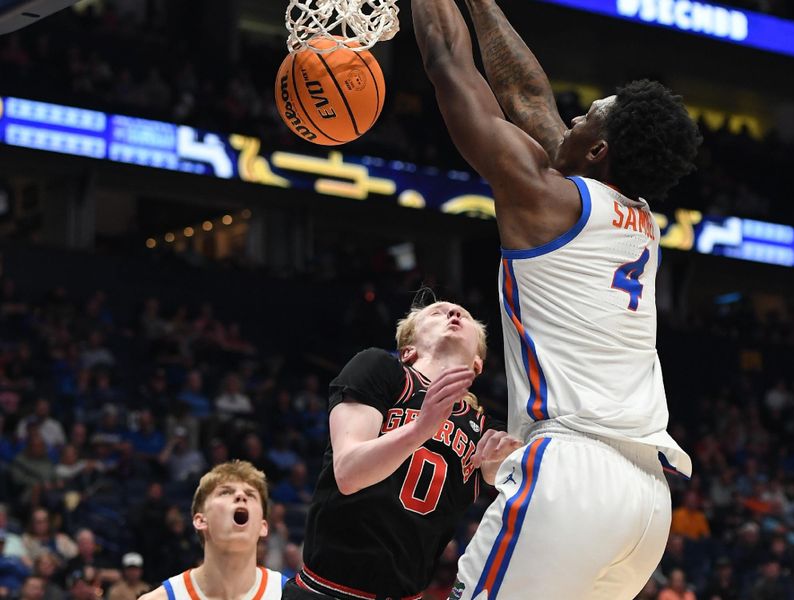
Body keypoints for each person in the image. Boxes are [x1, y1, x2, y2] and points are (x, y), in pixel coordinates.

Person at [411, 1, 701, 598]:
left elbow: (448, 65)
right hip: (647, 503)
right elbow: (528, 99)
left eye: (588, 117)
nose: (570, 116)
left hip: (574, 473)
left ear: (597, 152)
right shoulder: (635, 218)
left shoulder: (544, 201)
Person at [283, 300, 518, 600]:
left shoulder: (486, 425)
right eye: (438, 312)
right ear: (409, 350)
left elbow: (500, 473)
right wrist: (421, 428)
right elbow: (348, 472)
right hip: (327, 590)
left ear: (477, 363)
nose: (454, 314)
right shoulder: (381, 370)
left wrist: (506, 459)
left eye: (466, 315)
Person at [137, 461, 286, 600]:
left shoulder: (291, 595)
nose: (241, 496)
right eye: (226, 492)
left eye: (250, 494)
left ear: (263, 526)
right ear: (200, 521)